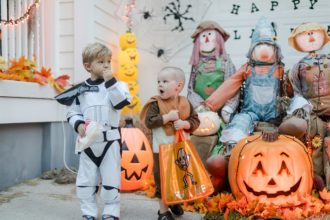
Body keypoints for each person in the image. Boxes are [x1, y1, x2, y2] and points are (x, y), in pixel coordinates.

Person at [204, 17, 285, 187]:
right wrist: (210, 104)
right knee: (239, 123)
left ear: (275, 49)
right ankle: (230, 155)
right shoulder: (247, 69)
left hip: (274, 114)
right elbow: (231, 84)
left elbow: (288, 90)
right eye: (259, 46)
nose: (264, 51)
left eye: (268, 46)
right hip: (250, 111)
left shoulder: (279, 70)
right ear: (252, 48)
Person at [55, 42, 131, 220]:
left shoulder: (118, 86)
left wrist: (110, 83)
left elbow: (120, 103)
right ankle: (88, 212)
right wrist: (78, 124)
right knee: (86, 180)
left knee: (111, 179)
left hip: (110, 141)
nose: (106, 65)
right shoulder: (81, 90)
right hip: (88, 142)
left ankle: (111, 212)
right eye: (101, 62)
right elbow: (72, 111)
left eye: (108, 61)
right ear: (88, 66)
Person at [140, 67, 200, 220]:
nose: (160, 84)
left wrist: (185, 124)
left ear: (178, 86)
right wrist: (167, 118)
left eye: (165, 81)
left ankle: (174, 202)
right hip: (161, 150)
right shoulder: (156, 103)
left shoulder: (186, 103)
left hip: (180, 148)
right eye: (158, 81)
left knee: (179, 177)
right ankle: (163, 211)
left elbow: (195, 120)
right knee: (163, 180)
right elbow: (149, 121)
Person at [279, 22, 330, 190]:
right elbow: (296, 91)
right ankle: (316, 176)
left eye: (314, 32)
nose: (310, 36)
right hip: (313, 110)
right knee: (315, 140)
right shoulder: (297, 68)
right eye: (305, 34)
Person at [187, 20, 239, 123]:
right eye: (203, 36)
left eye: (210, 34)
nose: (206, 39)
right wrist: (198, 106)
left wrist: (228, 108)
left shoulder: (226, 62)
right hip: (201, 112)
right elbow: (190, 88)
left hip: (221, 111)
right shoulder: (196, 64)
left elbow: (232, 88)